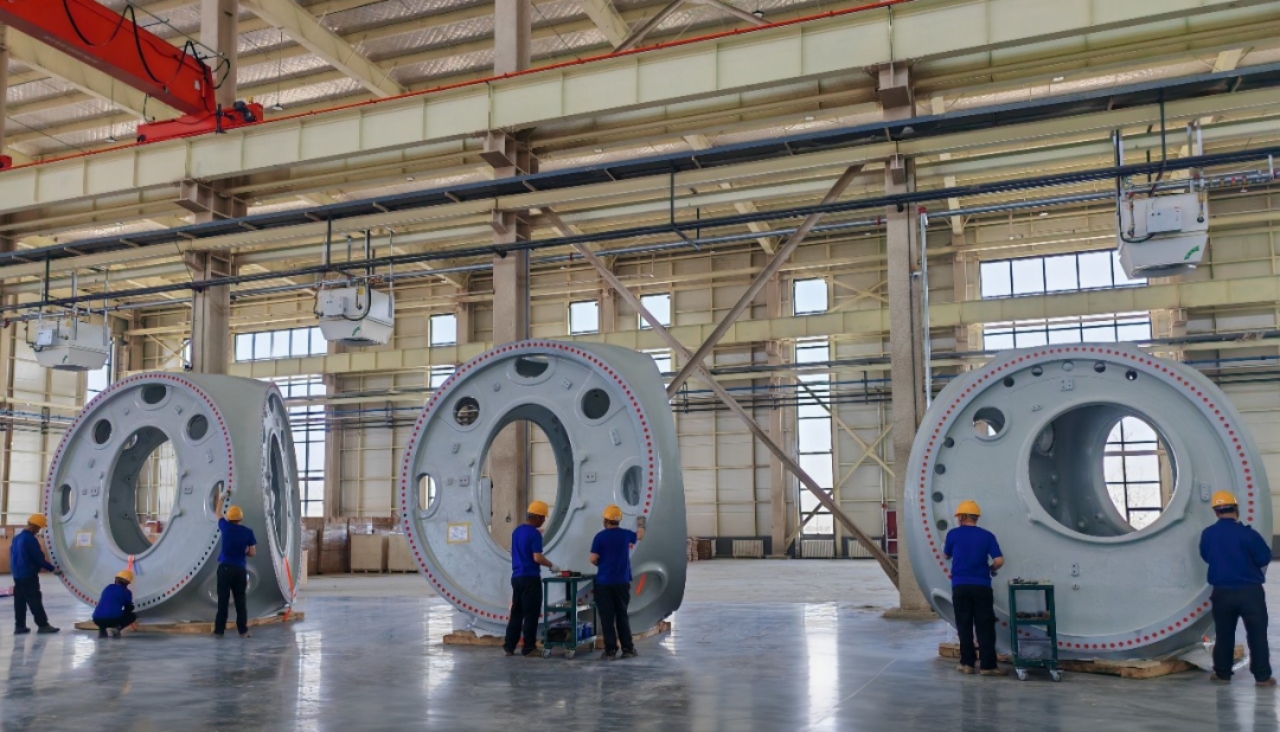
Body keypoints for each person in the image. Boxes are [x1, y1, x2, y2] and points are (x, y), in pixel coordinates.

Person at [1200, 490, 1275, 686]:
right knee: (1257, 635)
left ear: (1216, 512)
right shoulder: (1249, 534)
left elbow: (1206, 556)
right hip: (1250, 593)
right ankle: (1262, 677)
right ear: (1236, 509)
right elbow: (1263, 558)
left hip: (1222, 593)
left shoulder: (1208, 534)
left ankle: (1222, 674)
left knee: (1224, 634)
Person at [943, 500, 1005, 677]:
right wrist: (991, 569)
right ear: (976, 517)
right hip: (982, 586)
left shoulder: (953, 534)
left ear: (961, 517)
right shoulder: (987, 536)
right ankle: (988, 666)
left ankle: (967, 664)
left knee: (964, 625)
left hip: (960, 586)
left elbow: (946, 555)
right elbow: (999, 560)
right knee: (985, 626)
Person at [590, 505, 646, 661]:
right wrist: (641, 524)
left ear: (605, 520)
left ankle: (610, 651)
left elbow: (593, 558)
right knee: (622, 615)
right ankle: (628, 649)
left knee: (607, 618)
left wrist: (601, 564)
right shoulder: (625, 535)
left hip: (604, 583)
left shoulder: (600, 537)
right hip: (621, 583)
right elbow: (640, 535)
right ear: (618, 521)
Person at [503, 500, 557, 657]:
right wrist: (552, 565)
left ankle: (509, 646)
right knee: (531, 613)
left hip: (516, 577)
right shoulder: (535, 534)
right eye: (543, 518)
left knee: (516, 613)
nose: (544, 521)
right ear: (538, 517)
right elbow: (537, 557)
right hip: (530, 578)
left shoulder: (517, 531)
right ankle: (528, 648)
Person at [213, 491, 257, 638]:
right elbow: (252, 553)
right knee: (240, 600)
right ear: (241, 518)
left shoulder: (225, 527)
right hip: (239, 570)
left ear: (229, 518)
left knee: (223, 600)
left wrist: (222, 497)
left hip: (225, 569)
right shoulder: (248, 532)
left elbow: (218, 512)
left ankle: (219, 631)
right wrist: (244, 550)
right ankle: (243, 631)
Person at [11, 514, 61, 635]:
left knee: (20, 601)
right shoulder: (30, 539)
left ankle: (20, 626)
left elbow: (13, 556)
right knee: (34, 600)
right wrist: (52, 569)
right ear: (35, 526)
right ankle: (43, 625)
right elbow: (38, 558)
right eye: (39, 528)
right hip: (28, 575)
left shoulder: (17, 538)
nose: (38, 531)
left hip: (17, 575)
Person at [93, 570, 137, 639]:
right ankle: (117, 628)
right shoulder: (127, 592)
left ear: (116, 580)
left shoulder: (108, 587)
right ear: (128, 583)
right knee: (132, 616)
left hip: (97, 619)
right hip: (113, 620)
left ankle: (102, 629)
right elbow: (128, 608)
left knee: (104, 612)